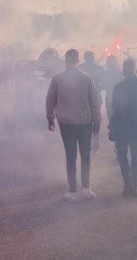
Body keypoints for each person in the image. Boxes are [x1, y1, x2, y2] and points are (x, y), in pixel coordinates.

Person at [45, 49, 101, 202]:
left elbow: (50, 100)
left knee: (70, 156)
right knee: (85, 155)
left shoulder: (57, 78)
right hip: (85, 122)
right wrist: (97, 121)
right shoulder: (87, 78)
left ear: (66, 61)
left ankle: (72, 191)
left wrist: (50, 118)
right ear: (78, 60)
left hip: (66, 123)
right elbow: (94, 102)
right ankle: (86, 188)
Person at [108, 58, 137, 198]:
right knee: (136, 154)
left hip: (122, 125)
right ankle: (134, 184)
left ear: (123, 70)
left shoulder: (119, 87)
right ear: (136, 69)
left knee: (122, 154)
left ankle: (128, 182)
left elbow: (114, 106)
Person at [79, 51, 105, 153]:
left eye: (91, 57)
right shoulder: (80, 68)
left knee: (95, 120)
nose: (90, 59)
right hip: (85, 97)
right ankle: (89, 143)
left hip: (94, 97)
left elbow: (104, 82)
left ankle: (95, 144)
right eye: (88, 57)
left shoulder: (98, 68)